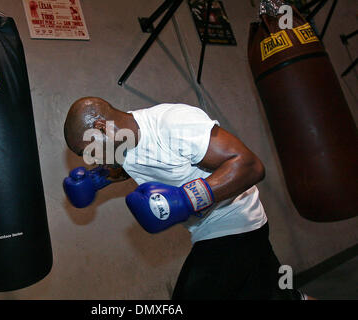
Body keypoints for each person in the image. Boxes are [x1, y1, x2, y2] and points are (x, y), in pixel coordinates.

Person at [63, 97, 307, 300]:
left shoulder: (173, 123)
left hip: (234, 221)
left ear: (102, 127)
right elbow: (132, 164)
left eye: (91, 151)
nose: (95, 159)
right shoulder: (120, 142)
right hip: (210, 230)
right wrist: (99, 180)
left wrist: (185, 199)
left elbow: (249, 166)